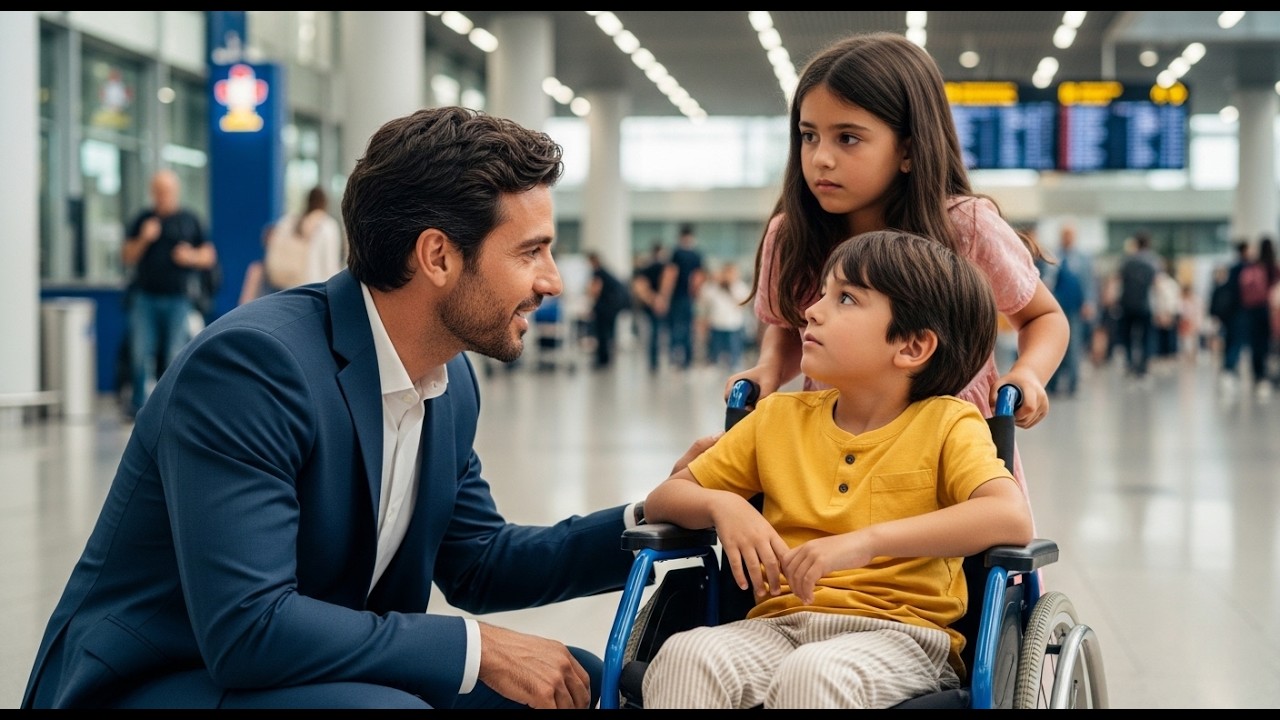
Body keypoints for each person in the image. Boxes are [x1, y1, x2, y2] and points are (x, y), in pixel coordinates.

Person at [22, 107, 712, 710]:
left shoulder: (447, 380)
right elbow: (247, 629)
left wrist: (652, 513)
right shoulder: (253, 369)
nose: (552, 281)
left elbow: (478, 562)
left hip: (300, 671)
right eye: (531, 251)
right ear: (437, 256)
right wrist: (477, 647)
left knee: (583, 685)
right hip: (164, 679)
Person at [641, 231, 1034, 709]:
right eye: (823, 291)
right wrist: (720, 503)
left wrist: (867, 542)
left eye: (845, 298)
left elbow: (1010, 517)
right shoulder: (777, 418)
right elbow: (664, 498)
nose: (811, 309)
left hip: (901, 637)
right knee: (686, 655)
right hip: (777, 626)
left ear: (912, 346)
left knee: (814, 675)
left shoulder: (948, 424)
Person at [729, 32, 1067, 518]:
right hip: (829, 448)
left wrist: (1027, 375)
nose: (821, 157)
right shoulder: (792, 233)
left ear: (908, 149)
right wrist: (768, 369)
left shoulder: (965, 228)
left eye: (847, 138)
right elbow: (787, 326)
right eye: (808, 136)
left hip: (948, 455)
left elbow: (1043, 316)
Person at [120, 168, 217, 419]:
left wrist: (191, 257)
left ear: (176, 192)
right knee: (140, 352)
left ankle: (169, 405)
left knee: (175, 352)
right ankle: (139, 405)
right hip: (146, 297)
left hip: (178, 298)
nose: (163, 196)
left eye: (167, 191)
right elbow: (127, 256)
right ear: (153, 193)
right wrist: (144, 238)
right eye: (158, 191)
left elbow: (209, 256)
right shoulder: (143, 220)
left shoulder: (189, 220)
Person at [1043, 222, 1095, 396]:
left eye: (1070, 235)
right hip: (1056, 308)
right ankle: (1053, 384)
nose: (1067, 238)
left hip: (1075, 309)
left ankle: (1073, 383)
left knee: (1074, 346)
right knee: (1055, 346)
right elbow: (1046, 281)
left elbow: (1088, 283)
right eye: (1065, 235)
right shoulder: (1053, 256)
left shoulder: (1082, 258)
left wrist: (1089, 302)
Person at [263, 184, 345, 290]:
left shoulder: (289, 222)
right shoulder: (327, 226)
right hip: (318, 288)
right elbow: (330, 265)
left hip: (291, 285)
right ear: (325, 203)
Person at [1114, 232, 1161, 383]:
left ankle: (1129, 364)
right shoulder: (1153, 261)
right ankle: (1143, 367)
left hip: (1127, 304)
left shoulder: (1127, 260)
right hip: (1145, 305)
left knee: (1128, 336)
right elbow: (1157, 284)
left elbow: (1118, 281)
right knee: (1146, 336)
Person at [1237, 235, 1280, 399]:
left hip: (1255, 310)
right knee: (1273, 344)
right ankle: (1272, 376)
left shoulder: (1253, 266)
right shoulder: (1274, 268)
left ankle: (1259, 375)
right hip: (1273, 311)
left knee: (1257, 344)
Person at [661, 224, 706, 370]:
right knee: (687, 328)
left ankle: (675, 358)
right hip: (689, 298)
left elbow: (670, 275)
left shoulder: (676, 253)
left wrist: (664, 296)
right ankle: (687, 360)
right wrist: (695, 295)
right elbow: (698, 278)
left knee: (675, 328)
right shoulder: (696, 254)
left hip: (677, 297)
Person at [700, 262, 752, 371]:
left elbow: (743, 303)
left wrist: (730, 290)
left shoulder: (740, 286)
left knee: (734, 349)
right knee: (715, 349)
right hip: (717, 323)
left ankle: (734, 366)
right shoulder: (715, 287)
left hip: (733, 325)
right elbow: (704, 298)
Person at [585, 250, 629, 369]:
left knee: (602, 333)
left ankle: (603, 359)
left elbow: (595, 291)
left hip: (606, 307)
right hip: (613, 307)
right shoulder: (606, 272)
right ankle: (607, 358)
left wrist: (590, 300)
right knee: (609, 333)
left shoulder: (598, 272)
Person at [631, 241, 669, 373]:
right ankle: (657, 362)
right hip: (659, 305)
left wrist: (652, 300)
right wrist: (658, 300)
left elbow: (639, 287)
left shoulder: (646, 267)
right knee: (658, 335)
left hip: (651, 305)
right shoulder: (663, 267)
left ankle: (654, 363)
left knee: (654, 335)